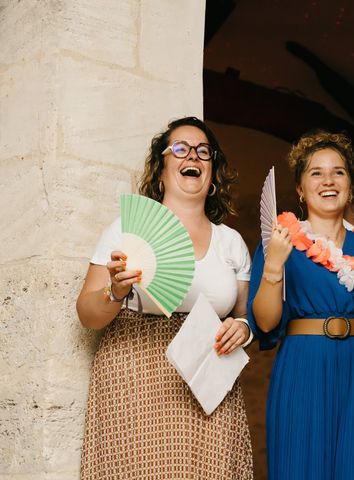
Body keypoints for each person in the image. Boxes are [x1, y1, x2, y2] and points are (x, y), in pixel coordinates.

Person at [76, 117, 254, 479]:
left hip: (208, 373)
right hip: (135, 370)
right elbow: (87, 315)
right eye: (180, 148)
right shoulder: (127, 229)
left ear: (213, 173)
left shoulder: (230, 242)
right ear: (161, 170)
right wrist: (116, 291)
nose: (194, 155)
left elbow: (243, 317)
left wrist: (243, 328)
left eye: (204, 152)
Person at [248, 130, 354, 479]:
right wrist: (275, 267)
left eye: (338, 172)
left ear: (350, 184)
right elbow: (264, 324)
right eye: (316, 172)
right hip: (302, 370)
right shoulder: (278, 241)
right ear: (300, 188)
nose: (328, 180)